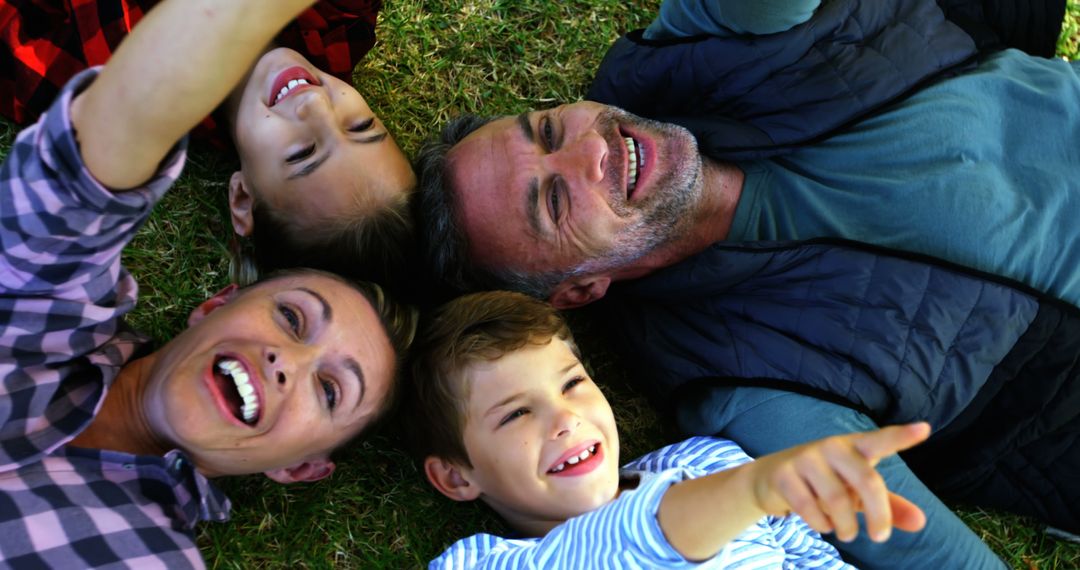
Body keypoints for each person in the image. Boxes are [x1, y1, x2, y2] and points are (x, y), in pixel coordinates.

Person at [411, 0, 1080, 567]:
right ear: (579, 291)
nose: (592, 150)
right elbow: (915, 540)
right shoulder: (729, 376)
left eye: (550, 127)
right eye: (554, 202)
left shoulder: (686, 56)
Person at [0, 0, 416, 566]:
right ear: (216, 303)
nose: (285, 362)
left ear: (298, 468)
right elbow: (74, 187)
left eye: (329, 390)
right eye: (292, 318)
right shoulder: (53, 309)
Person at [403, 291, 931, 569]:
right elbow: (619, 548)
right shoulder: (484, 564)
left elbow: (812, 560)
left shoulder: (707, 463)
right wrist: (755, 491)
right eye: (516, 413)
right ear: (455, 477)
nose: (565, 419)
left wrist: (756, 487)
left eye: (571, 384)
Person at [1, 0, 417, 288]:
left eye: (302, 154)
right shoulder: (340, 23)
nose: (316, 105)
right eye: (361, 125)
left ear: (242, 197)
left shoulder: (105, 93)